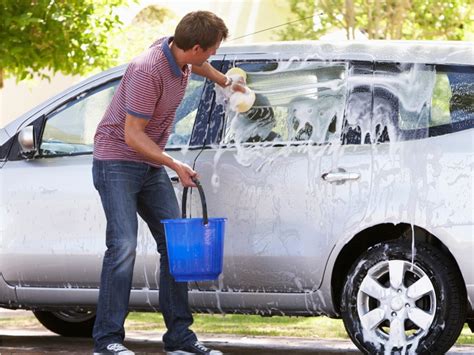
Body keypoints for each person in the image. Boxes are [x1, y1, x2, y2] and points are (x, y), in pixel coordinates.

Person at [92, 11, 244, 355]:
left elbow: (200, 67)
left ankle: (179, 339)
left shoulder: (179, 57)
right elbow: (132, 135)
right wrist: (174, 163)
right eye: (211, 50)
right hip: (117, 160)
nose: (213, 55)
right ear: (193, 46)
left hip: (148, 163)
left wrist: (225, 81)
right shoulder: (148, 70)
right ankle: (107, 341)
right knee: (123, 247)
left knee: (176, 247)